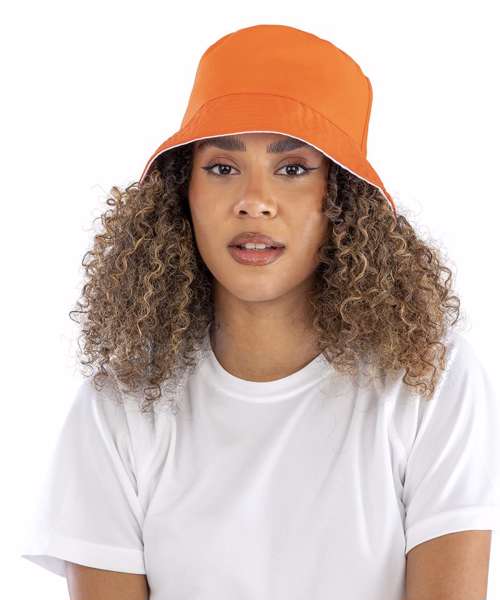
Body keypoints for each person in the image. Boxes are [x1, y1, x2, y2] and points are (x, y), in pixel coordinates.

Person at [20, 23, 500, 600]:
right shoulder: (120, 403)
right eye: (222, 168)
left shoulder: (427, 376)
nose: (253, 201)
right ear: (183, 194)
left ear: (341, 198)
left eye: (292, 168)